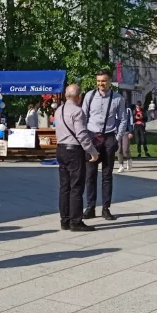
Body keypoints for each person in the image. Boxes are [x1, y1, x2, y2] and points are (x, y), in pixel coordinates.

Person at [83, 69, 127, 221]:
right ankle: (90, 207)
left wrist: (117, 137)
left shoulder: (118, 98)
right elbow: (84, 117)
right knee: (90, 175)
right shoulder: (89, 96)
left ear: (109, 82)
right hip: (92, 137)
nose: (101, 83)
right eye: (99, 81)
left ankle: (106, 208)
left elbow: (122, 119)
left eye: (104, 81)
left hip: (109, 137)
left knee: (107, 175)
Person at [56, 84, 100, 231]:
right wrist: (93, 151)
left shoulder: (58, 110)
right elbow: (80, 134)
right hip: (74, 151)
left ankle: (65, 220)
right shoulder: (78, 112)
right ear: (79, 97)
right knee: (76, 186)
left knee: (64, 187)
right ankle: (76, 221)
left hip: (61, 149)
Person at [116, 107, 133, 173]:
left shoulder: (128, 110)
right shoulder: (115, 109)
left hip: (126, 131)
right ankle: (121, 166)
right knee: (119, 149)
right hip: (117, 132)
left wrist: (131, 131)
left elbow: (131, 120)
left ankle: (129, 159)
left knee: (125, 149)